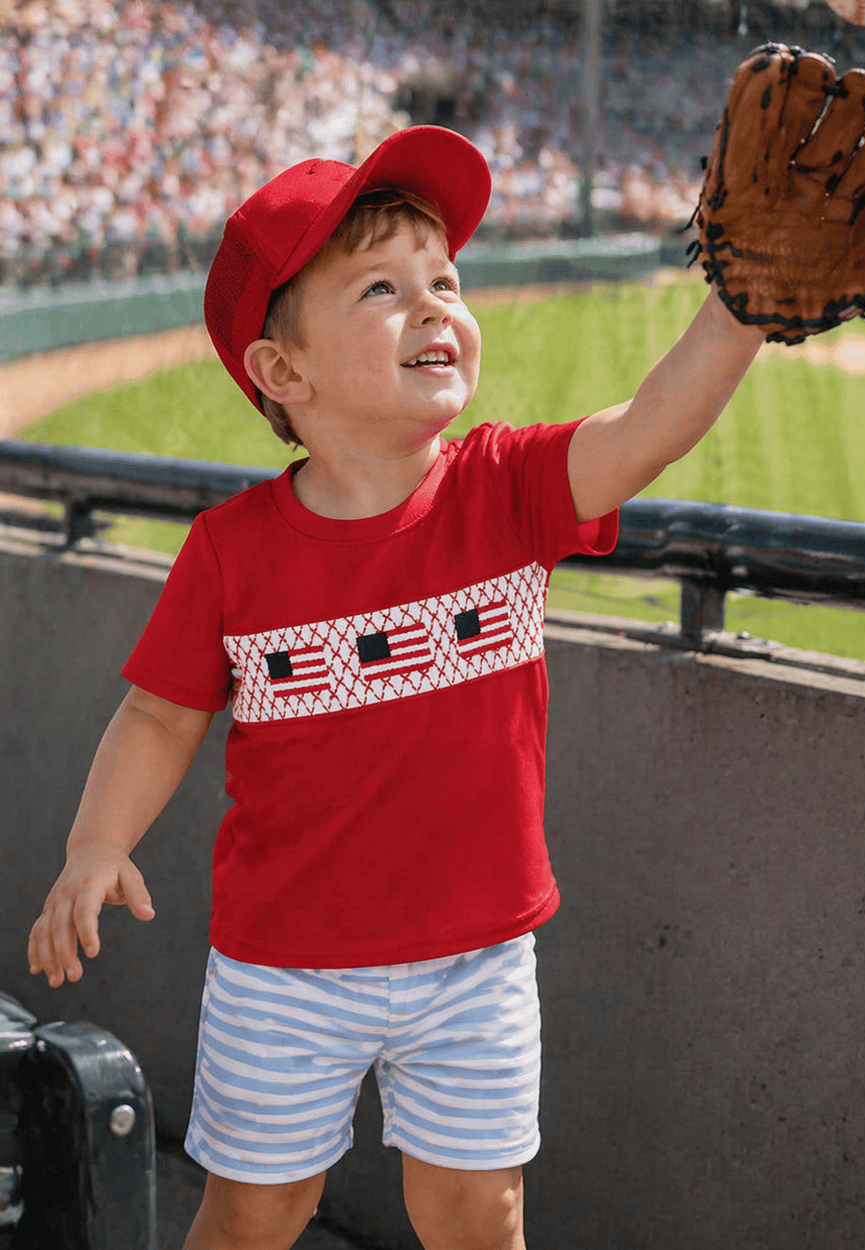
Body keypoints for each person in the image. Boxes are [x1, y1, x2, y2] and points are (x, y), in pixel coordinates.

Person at [26, 123, 765, 1250]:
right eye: (382, 285)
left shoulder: (506, 485)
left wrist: (742, 301)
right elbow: (160, 711)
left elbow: (650, 428)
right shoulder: (231, 549)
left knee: (478, 1211)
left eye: (445, 279)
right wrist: (94, 843)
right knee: (253, 1213)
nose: (435, 306)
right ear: (284, 371)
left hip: (475, 957)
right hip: (283, 965)